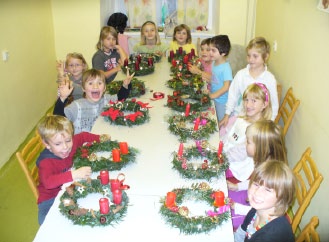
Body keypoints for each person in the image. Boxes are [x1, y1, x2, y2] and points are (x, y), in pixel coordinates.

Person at [36, 115, 110, 225]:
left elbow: (83, 136)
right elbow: (48, 183)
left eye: (68, 140)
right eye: (58, 144)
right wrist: (74, 174)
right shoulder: (46, 162)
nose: (65, 147)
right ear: (47, 144)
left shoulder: (70, 143)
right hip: (50, 199)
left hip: (69, 189)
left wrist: (101, 138)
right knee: (47, 223)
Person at [228, 119, 287, 230]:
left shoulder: (270, 173)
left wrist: (236, 207)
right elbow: (254, 182)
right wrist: (237, 186)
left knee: (221, 216)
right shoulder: (264, 162)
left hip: (256, 215)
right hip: (252, 197)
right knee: (224, 194)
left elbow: (260, 212)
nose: (245, 144)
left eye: (248, 142)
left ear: (261, 147)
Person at [219, 37, 279, 129]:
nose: (250, 59)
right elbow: (232, 95)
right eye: (248, 55)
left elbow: (274, 104)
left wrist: (270, 123)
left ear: (266, 56)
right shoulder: (241, 75)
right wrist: (227, 114)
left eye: (255, 56)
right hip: (240, 117)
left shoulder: (270, 79)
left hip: (259, 123)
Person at [54, 68, 134, 134]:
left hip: (103, 139)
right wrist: (62, 98)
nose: (95, 86)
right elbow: (58, 120)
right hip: (83, 147)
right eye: (90, 83)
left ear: (105, 88)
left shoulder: (106, 99)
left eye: (99, 83)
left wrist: (125, 85)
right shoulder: (77, 106)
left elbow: (120, 98)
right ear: (83, 88)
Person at [234, 160, 296, 242]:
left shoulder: (270, 236)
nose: (257, 192)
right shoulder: (256, 210)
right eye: (256, 184)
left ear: (282, 198)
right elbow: (242, 230)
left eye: (268, 190)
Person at [222, 83, 272, 185]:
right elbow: (229, 135)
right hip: (225, 156)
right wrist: (219, 145)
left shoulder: (257, 131)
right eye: (246, 100)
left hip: (235, 168)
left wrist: (220, 157)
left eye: (254, 101)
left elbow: (240, 153)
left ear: (264, 104)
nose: (248, 105)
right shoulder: (242, 119)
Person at [206, 35, 233, 123]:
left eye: (213, 50)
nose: (210, 52)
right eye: (209, 49)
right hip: (214, 98)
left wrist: (212, 96)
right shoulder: (214, 63)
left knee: (220, 123)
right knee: (213, 119)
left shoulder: (226, 68)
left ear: (223, 53)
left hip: (222, 102)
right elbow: (216, 79)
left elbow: (226, 87)